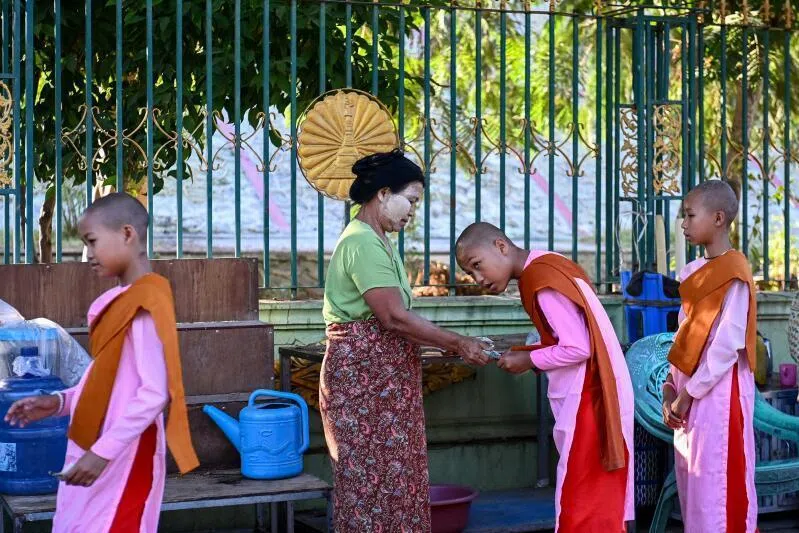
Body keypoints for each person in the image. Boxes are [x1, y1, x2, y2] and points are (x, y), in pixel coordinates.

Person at [5, 192, 198, 532]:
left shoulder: (146, 302)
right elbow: (108, 378)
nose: (89, 254)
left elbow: (154, 393)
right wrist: (59, 402)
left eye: (93, 242)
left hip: (125, 450)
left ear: (127, 234)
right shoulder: (123, 300)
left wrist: (102, 453)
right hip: (99, 443)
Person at [320, 150, 490, 533]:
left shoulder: (379, 241)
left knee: (398, 484)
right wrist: (458, 342)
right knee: (370, 489)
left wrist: (447, 342)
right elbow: (394, 317)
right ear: (382, 193)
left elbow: (399, 320)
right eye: (410, 201)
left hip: (385, 383)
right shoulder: (362, 242)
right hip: (363, 385)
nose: (412, 211)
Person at [456, 222, 634, 532]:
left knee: (584, 500)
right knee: (595, 496)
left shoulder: (541, 278)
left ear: (501, 246)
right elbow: (569, 338)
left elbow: (577, 346)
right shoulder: (549, 261)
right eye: (471, 274)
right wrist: (524, 353)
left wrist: (528, 359)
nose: (478, 279)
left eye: (477, 266)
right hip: (597, 390)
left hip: (589, 397)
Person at [662, 179, 757, 532]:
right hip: (688, 392)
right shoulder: (691, 273)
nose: (683, 224)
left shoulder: (734, 273)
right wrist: (671, 388)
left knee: (718, 485)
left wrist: (688, 394)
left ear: (719, 218)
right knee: (694, 487)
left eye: (690, 215)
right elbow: (683, 335)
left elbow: (726, 346)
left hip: (720, 394)